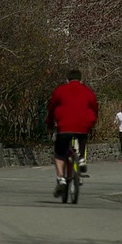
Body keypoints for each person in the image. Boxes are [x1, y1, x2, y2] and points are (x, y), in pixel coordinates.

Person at [46, 69, 98, 198]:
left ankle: (61, 179)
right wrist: (93, 123)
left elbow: (51, 108)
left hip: (64, 127)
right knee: (82, 137)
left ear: (67, 80)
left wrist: (50, 124)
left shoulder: (60, 90)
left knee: (59, 154)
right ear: (81, 80)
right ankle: (80, 159)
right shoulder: (88, 91)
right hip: (83, 125)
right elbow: (95, 107)